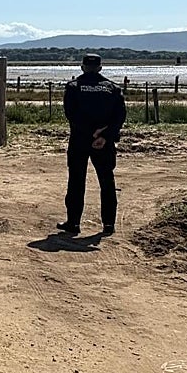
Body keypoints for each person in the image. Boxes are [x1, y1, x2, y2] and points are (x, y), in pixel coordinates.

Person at [58, 54, 126, 236]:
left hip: (79, 140)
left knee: (76, 181)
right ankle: (109, 224)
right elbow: (120, 116)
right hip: (104, 143)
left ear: (82, 67)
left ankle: (73, 223)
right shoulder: (113, 88)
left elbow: (71, 114)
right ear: (100, 68)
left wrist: (91, 133)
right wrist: (104, 135)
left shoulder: (73, 87)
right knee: (106, 181)